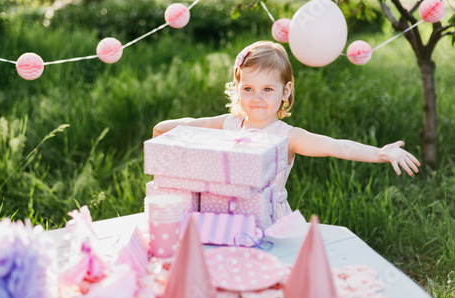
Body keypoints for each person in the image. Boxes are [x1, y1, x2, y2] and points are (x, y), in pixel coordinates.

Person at [153, 40, 420, 219]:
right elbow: (192, 124)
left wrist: (380, 153)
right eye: (248, 89)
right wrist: (165, 129)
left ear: (285, 91)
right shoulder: (229, 123)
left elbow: (335, 146)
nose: (257, 97)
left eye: (268, 89)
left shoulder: (287, 136)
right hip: (226, 214)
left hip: (269, 218)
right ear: (238, 89)